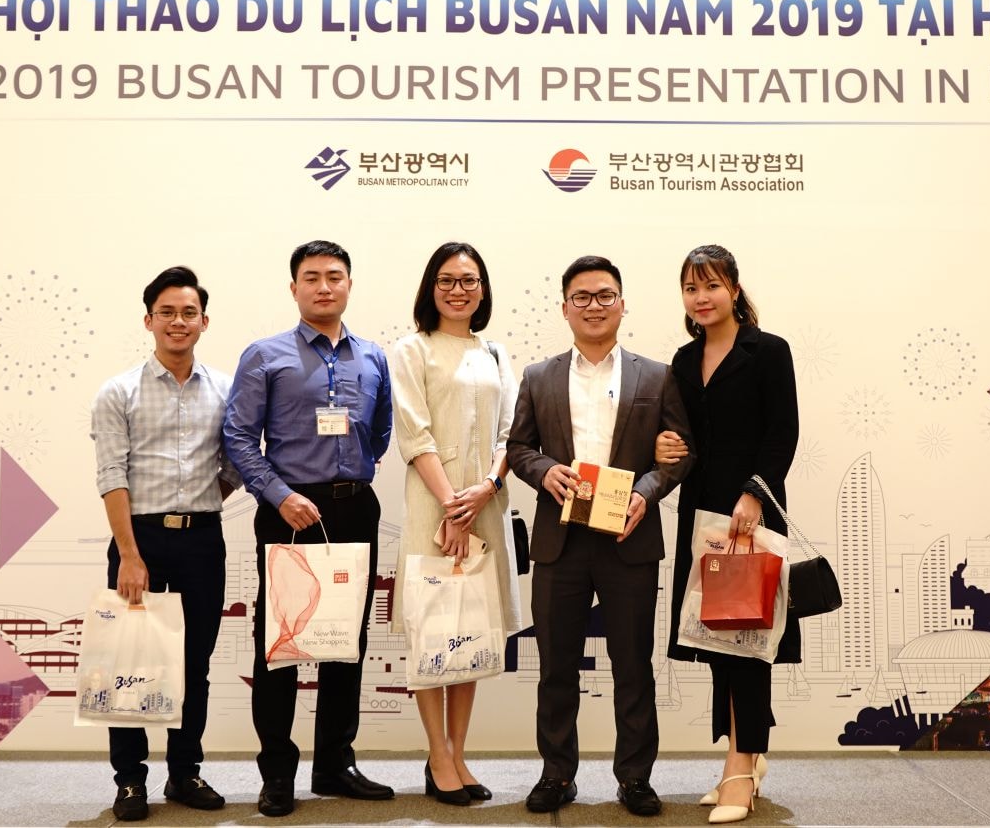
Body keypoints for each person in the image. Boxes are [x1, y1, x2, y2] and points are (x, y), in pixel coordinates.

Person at [506, 255, 694, 818]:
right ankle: (557, 774)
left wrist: (647, 492)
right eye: (582, 297)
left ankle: (634, 778)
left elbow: (679, 452)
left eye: (605, 295)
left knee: (633, 666)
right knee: (556, 668)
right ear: (565, 308)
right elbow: (519, 448)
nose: (594, 305)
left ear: (622, 304)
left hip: (627, 538)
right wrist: (545, 471)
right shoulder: (538, 376)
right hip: (559, 540)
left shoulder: (657, 375)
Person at [223, 240, 395, 818]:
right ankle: (278, 773)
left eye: (335, 276)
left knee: (347, 641)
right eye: (312, 277)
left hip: (355, 509)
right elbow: (239, 437)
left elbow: (382, 429)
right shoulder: (264, 355)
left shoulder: (372, 356)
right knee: (282, 643)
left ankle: (335, 764)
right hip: (290, 511)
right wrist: (280, 494)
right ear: (293, 287)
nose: (325, 286)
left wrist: (354, 472)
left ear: (350, 284)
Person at [655, 244, 799, 825]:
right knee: (719, 640)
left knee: (748, 643)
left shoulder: (769, 351)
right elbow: (683, 436)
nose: (702, 297)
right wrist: (664, 445)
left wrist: (754, 494)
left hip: (750, 514)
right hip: (703, 514)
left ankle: (740, 769)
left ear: (734, 289)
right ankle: (745, 757)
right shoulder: (684, 359)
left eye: (712, 285)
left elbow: (782, 433)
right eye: (691, 288)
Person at [90, 266, 240, 821]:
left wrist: (201, 502)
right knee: (130, 660)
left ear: (204, 321)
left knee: (193, 665)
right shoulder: (118, 391)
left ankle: (184, 773)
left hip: (202, 540)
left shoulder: (226, 389)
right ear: (149, 320)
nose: (179, 321)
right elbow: (112, 475)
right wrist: (130, 555)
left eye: (189, 313)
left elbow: (237, 462)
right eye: (168, 313)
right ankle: (130, 781)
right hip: (140, 541)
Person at [389, 242, 520, 806]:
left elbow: (511, 434)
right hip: (433, 508)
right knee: (432, 630)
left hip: (485, 505)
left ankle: (458, 753)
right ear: (431, 287)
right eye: (446, 280)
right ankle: (437, 755)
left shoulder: (495, 352)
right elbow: (414, 435)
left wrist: (485, 488)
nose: (458, 290)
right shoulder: (411, 349)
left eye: (469, 280)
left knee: (470, 632)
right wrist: (452, 506)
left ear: (483, 289)